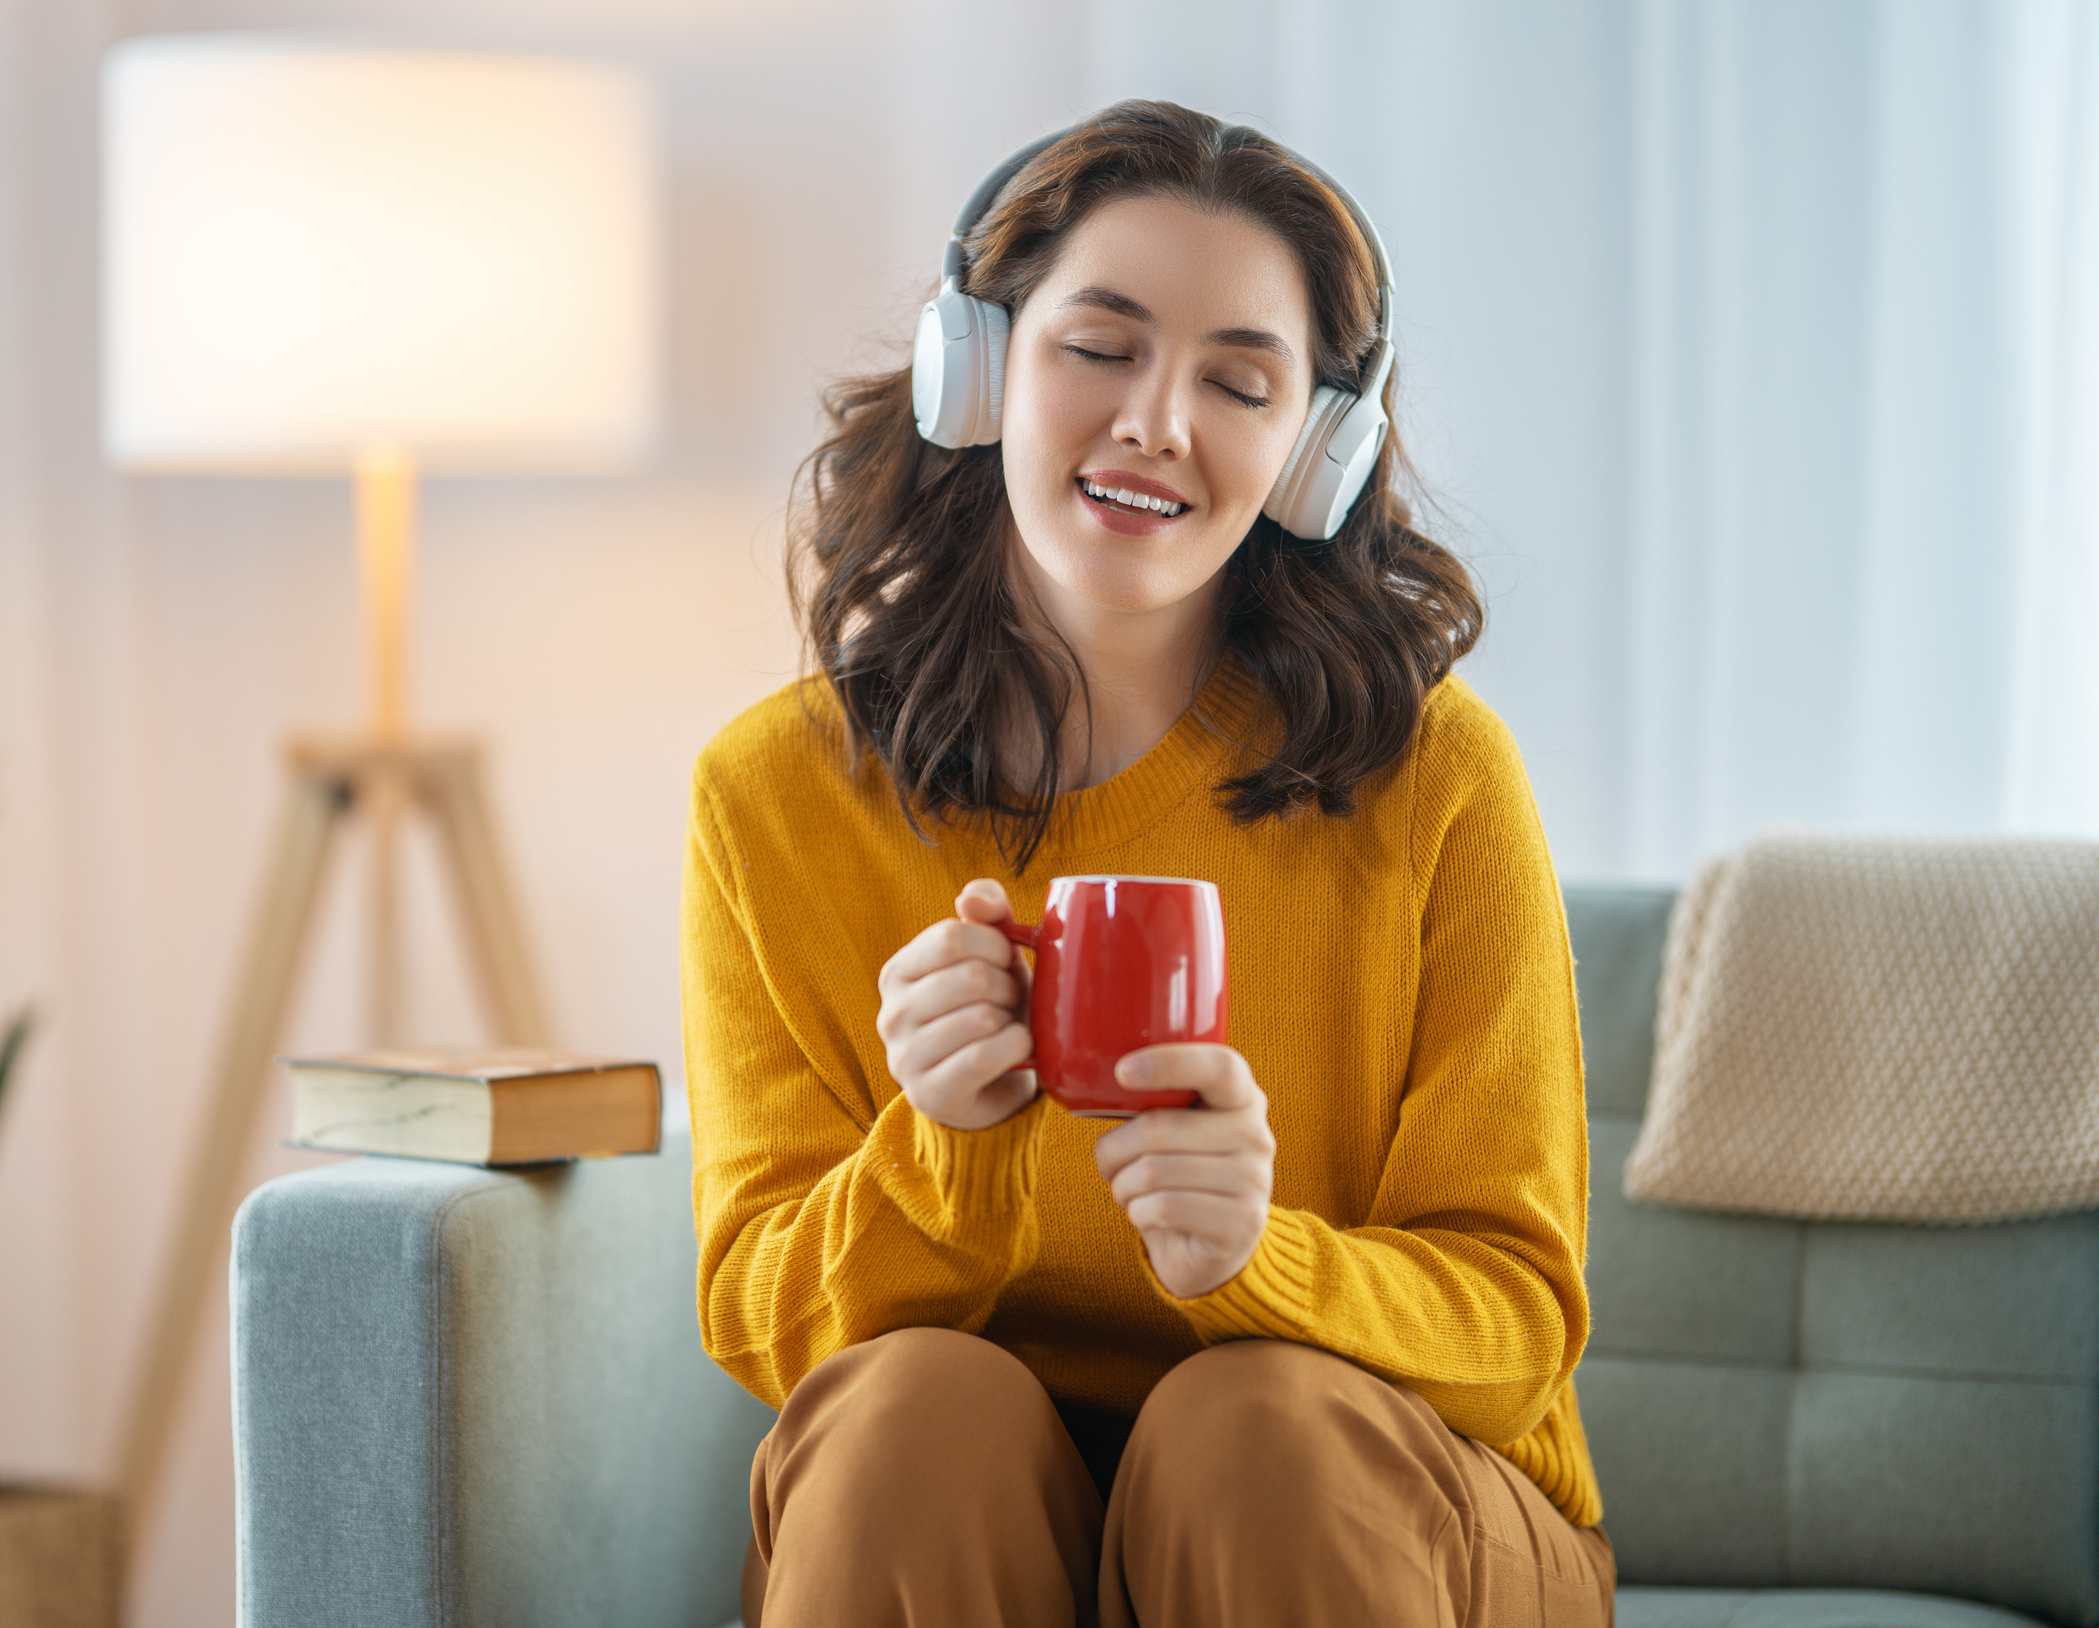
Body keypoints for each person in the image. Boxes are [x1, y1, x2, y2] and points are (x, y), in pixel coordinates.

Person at [681, 99, 1610, 1627]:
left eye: (1238, 382)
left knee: (1252, 1430)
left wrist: (1263, 1258)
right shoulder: (771, 798)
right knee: (908, 1415)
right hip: (973, 1506)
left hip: (1384, 1506)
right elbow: (774, 1327)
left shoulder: (1440, 781)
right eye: (1099, 348)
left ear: (1316, 452)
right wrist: (942, 1148)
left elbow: (1518, 1327)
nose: (1156, 423)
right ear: (974, 369)